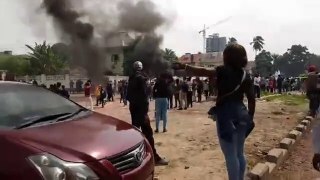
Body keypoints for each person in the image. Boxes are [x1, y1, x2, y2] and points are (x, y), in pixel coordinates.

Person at [174, 44, 256, 180]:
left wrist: (185, 66)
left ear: (227, 57)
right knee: (239, 153)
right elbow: (252, 100)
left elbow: (203, 71)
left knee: (230, 155)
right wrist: (250, 118)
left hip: (226, 114)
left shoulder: (223, 71)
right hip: (242, 113)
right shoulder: (246, 75)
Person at [127, 61, 169, 166]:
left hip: (134, 110)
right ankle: (154, 158)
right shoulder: (142, 79)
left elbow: (128, 96)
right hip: (141, 111)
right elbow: (147, 94)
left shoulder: (131, 78)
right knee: (148, 134)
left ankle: (134, 160)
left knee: (135, 135)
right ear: (141, 68)